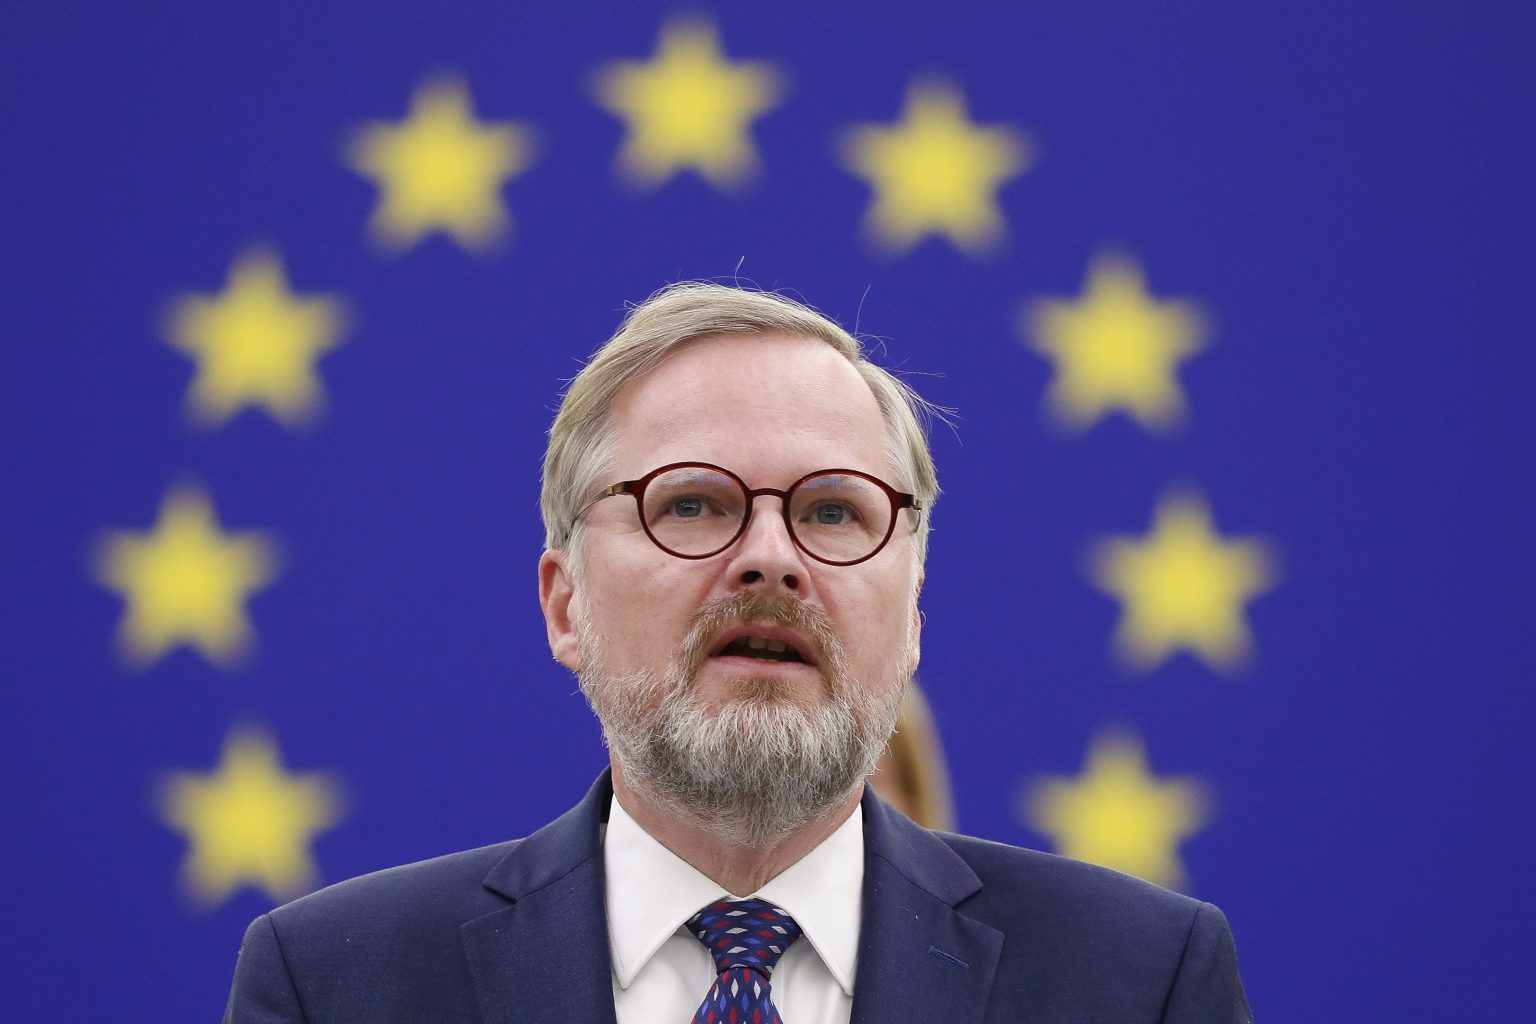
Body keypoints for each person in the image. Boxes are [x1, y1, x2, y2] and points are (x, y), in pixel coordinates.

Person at [224, 282, 1254, 1023]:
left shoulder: (1140, 981)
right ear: (565, 604)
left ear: (914, 613)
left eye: (835, 511)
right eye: (692, 503)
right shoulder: (334, 986)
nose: (771, 557)